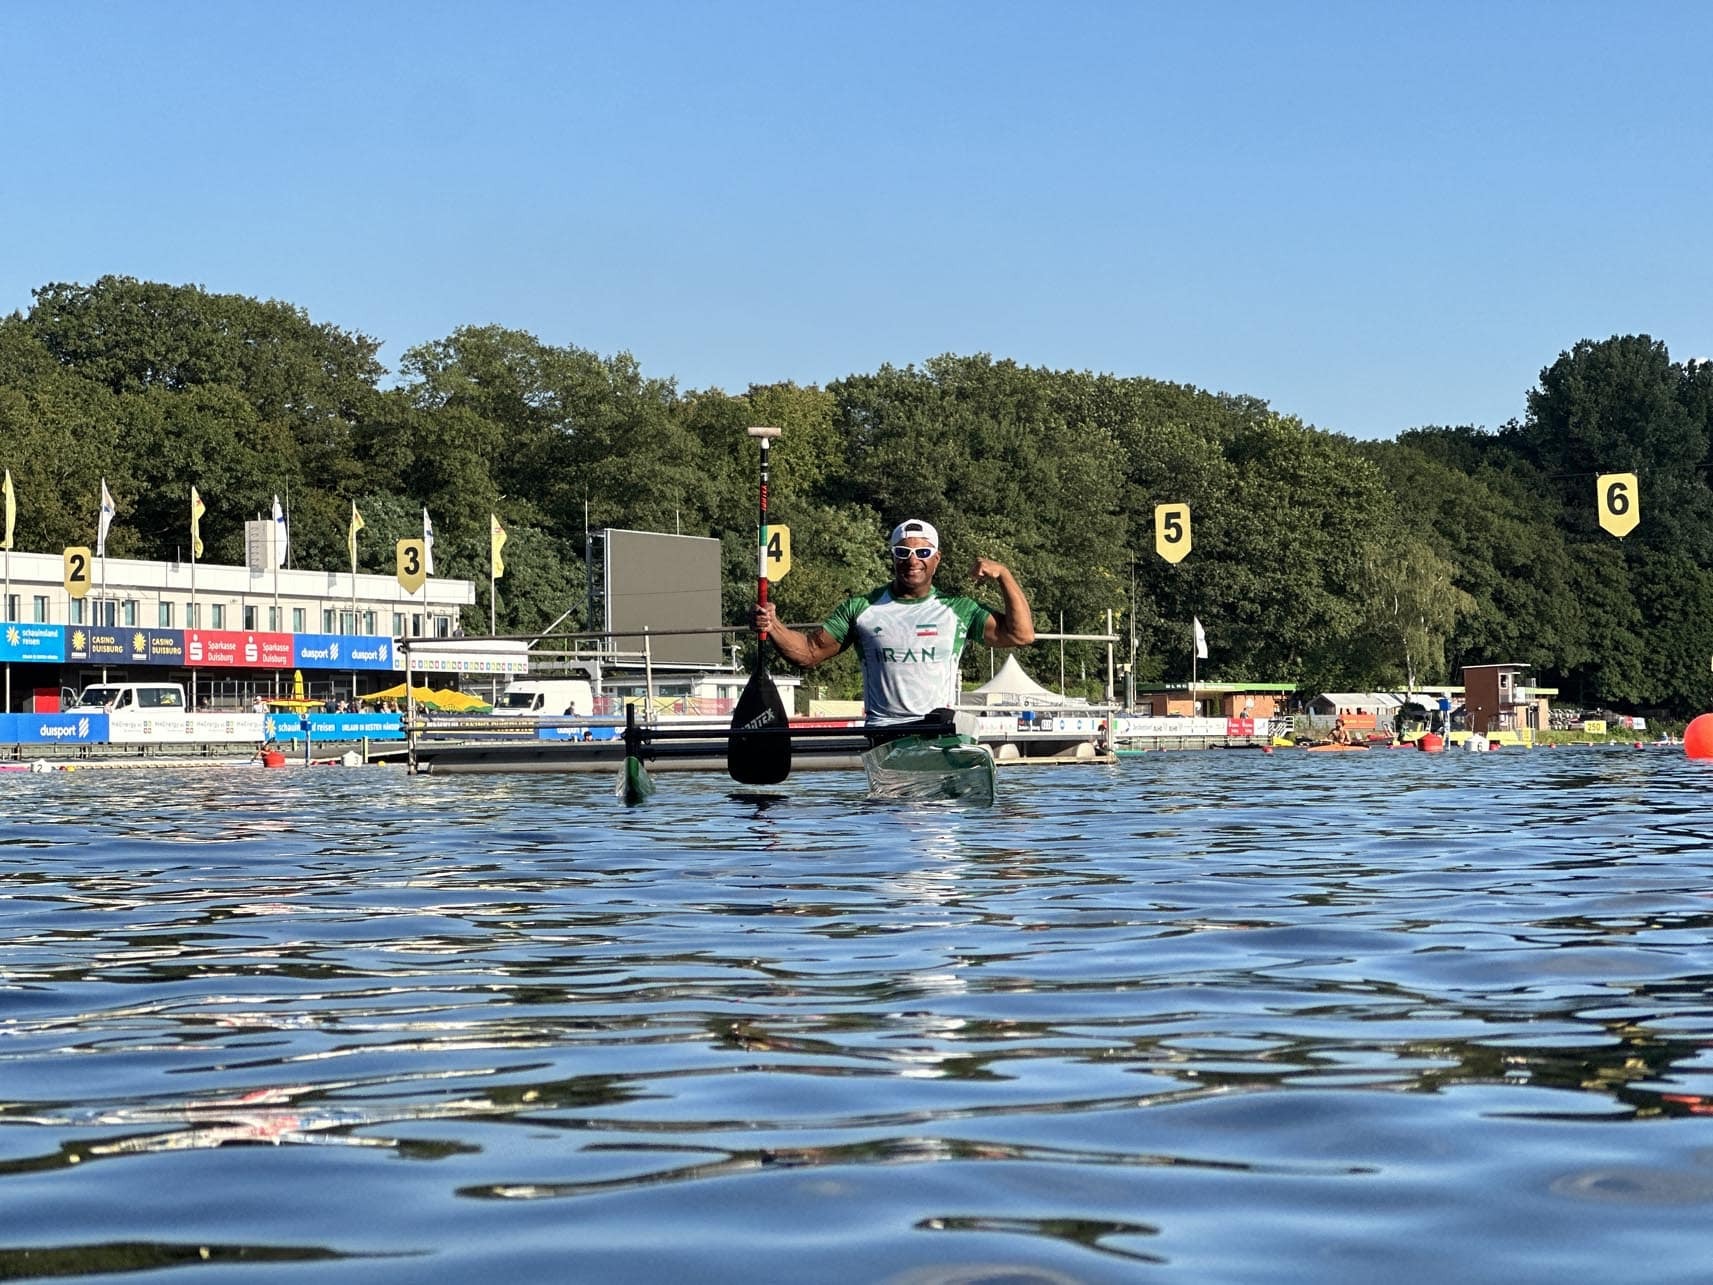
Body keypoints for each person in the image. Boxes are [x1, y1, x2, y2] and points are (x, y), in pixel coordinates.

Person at [752, 518, 1035, 725]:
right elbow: (808, 653)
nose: (913, 561)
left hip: (937, 728)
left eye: (922, 553)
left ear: (936, 559)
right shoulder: (861, 608)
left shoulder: (959, 609)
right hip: (884, 733)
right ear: (893, 557)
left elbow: (1022, 635)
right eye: (903, 553)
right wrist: (772, 625)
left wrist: (1004, 575)